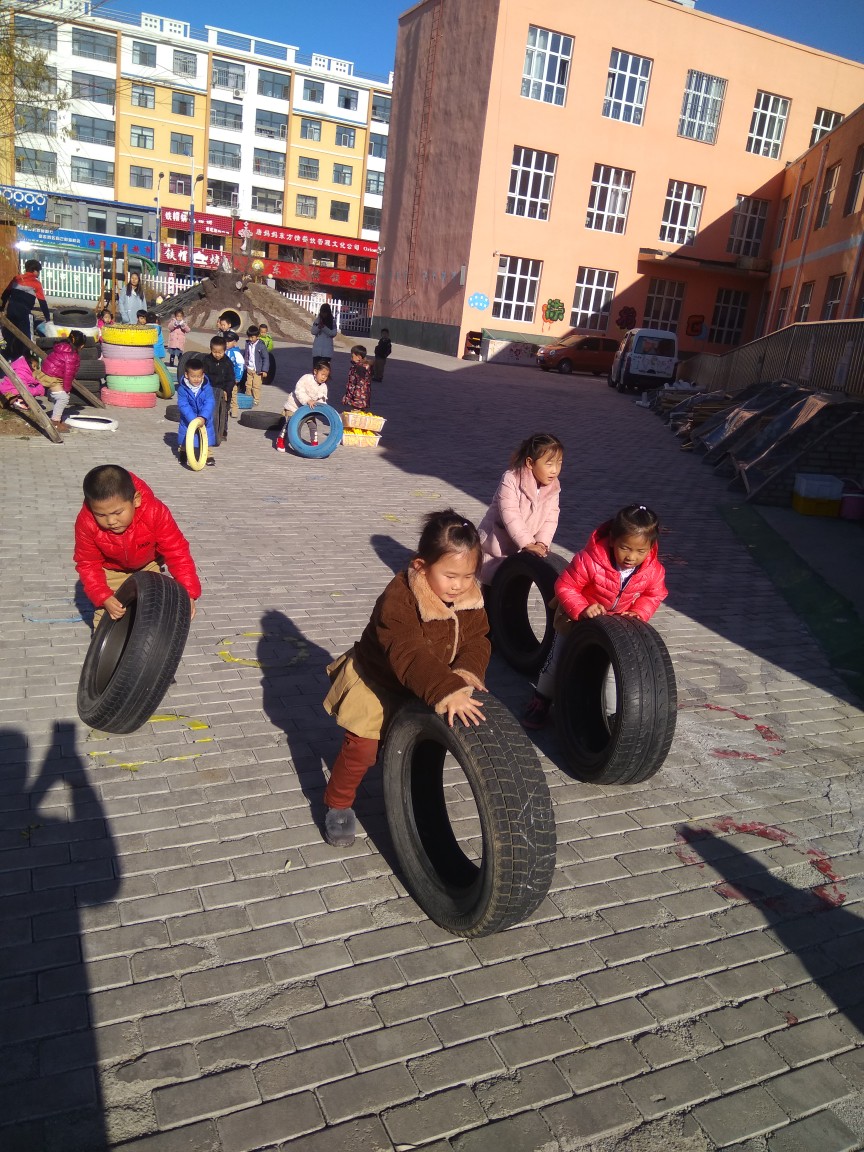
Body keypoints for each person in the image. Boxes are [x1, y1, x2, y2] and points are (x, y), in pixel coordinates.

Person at [322, 509, 490, 847]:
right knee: (362, 750)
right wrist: (446, 688)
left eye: (468, 576)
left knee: (413, 747)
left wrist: (463, 676)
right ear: (421, 566)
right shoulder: (399, 598)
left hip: (426, 681)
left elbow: (478, 639)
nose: (459, 585)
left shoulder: (469, 598)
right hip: (378, 681)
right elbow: (408, 651)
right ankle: (338, 803)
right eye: (450, 575)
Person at [524, 504, 668, 729]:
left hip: (613, 628)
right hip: (575, 619)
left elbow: (655, 593)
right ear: (612, 540)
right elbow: (565, 586)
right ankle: (541, 700)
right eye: (625, 548)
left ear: (651, 547)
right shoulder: (589, 559)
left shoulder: (653, 570)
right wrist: (583, 607)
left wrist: (639, 611)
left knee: (612, 672)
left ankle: (610, 718)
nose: (631, 557)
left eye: (641, 551)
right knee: (557, 660)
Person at [74, 465, 200, 629]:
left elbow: (177, 551)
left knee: (155, 612)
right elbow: (87, 563)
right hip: (111, 570)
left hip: (148, 564)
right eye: (101, 515)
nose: (111, 521)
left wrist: (188, 593)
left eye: (117, 513)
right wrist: (103, 597)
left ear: (136, 500)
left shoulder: (154, 512)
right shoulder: (86, 522)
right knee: (106, 618)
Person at [478, 432, 564, 585]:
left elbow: (551, 518)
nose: (555, 470)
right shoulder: (511, 479)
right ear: (530, 463)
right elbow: (510, 513)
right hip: (496, 545)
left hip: (522, 550)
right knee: (492, 584)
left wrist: (541, 543)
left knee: (517, 583)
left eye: (559, 463)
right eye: (549, 464)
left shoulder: (553, 486)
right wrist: (527, 543)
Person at [33, 329, 85, 432]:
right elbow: (68, 374)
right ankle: (55, 422)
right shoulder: (71, 355)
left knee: (61, 397)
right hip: (51, 377)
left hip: (49, 373)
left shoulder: (62, 348)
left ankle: (57, 418)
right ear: (82, 346)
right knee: (63, 398)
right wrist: (67, 389)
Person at [1, 259, 51, 360]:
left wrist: (1, 309)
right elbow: (42, 302)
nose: (38, 273)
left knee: (9, 336)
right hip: (24, 314)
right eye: (38, 271)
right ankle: (24, 359)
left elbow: (5, 294)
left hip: (11, 311)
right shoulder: (36, 283)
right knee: (26, 338)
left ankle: (6, 357)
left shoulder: (16, 279)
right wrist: (48, 318)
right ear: (35, 271)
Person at [276, 362, 330, 452]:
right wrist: (307, 400)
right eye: (322, 374)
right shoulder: (306, 378)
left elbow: (322, 400)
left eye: (326, 376)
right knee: (290, 423)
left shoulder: (324, 387)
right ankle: (281, 439)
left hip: (308, 409)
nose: (324, 377)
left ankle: (314, 444)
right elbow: (299, 391)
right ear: (315, 371)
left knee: (313, 425)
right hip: (294, 406)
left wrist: (322, 407)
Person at [176, 357, 217, 467]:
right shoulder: (182, 389)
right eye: (193, 376)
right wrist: (193, 419)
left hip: (205, 418)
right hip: (188, 418)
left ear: (203, 375)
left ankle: (208, 455)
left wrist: (203, 416)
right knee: (186, 436)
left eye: (199, 376)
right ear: (186, 375)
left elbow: (210, 402)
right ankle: (183, 452)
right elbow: (183, 404)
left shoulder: (207, 388)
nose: (196, 379)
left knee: (206, 436)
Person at [202, 336, 236, 442]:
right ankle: (207, 431)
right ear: (211, 349)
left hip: (223, 392)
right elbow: (203, 376)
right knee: (208, 411)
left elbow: (231, 379)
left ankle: (223, 431)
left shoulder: (228, 363)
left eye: (220, 352)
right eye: (214, 352)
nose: (217, 354)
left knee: (223, 412)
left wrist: (226, 391)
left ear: (224, 350)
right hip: (209, 391)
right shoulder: (206, 360)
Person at [244, 325, 268, 407]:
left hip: (258, 370)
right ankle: (248, 398)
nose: (250, 339)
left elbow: (266, 358)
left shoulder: (261, 346)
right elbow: (246, 354)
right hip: (249, 368)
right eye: (249, 337)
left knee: (256, 386)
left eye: (252, 337)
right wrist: (245, 365)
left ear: (257, 337)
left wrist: (264, 370)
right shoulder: (248, 344)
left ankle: (256, 400)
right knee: (248, 385)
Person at [342, 345, 372, 411]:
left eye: (352, 356)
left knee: (356, 414)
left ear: (359, 357)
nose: (351, 358)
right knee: (360, 413)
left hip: (357, 398)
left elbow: (356, 385)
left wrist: (348, 397)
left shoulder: (359, 368)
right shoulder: (362, 367)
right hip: (362, 398)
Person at [224, 331, 246, 417]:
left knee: (233, 395)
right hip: (224, 378)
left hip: (232, 378)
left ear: (235, 342)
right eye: (225, 341)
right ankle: (225, 409)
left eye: (229, 342)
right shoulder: (224, 351)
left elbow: (240, 365)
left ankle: (234, 410)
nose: (226, 343)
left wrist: (238, 377)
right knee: (224, 394)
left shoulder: (236, 353)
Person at [311, 303, 336, 370]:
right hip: (317, 351)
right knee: (316, 370)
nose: (323, 314)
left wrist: (324, 327)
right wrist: (319, 327)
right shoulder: (317, 320)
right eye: (322, 312)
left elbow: (333, 333)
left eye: (325, 312)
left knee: (324, 371)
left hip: (327, 352)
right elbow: (313, 331)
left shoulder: (332, 321)